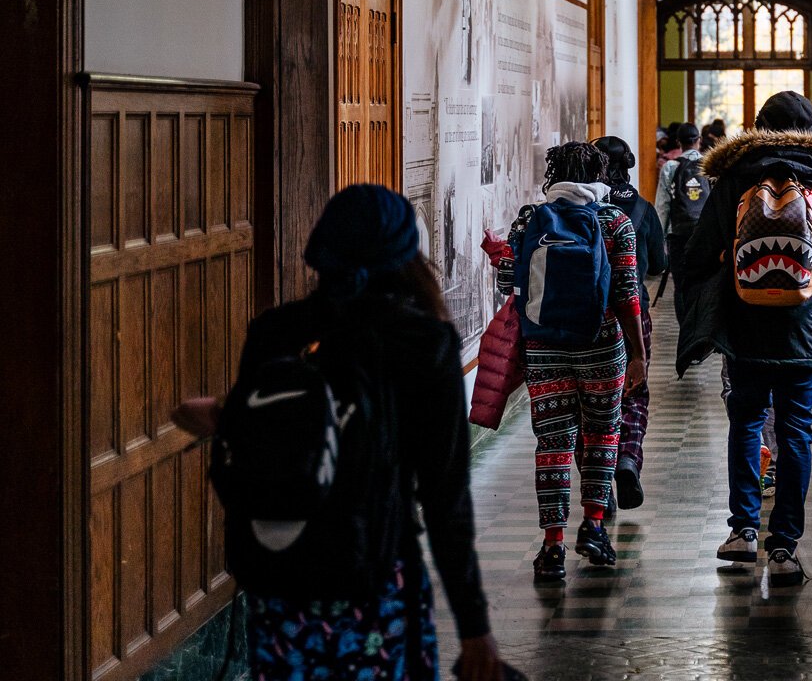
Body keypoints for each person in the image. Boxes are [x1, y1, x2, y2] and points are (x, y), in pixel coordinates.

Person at [170, 184, 508, 681]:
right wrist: (474, 627)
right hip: (375, 580)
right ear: (403, 251)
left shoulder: (275, 331)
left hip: (280, 585)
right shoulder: (423, 343)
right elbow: (444, 498)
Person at [676, 91, 812, 586]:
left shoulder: (734, 177)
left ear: (759, 127)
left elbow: (697, 255)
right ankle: (783, 548)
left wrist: (715, 309)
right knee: (797, 431)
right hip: (804, 333)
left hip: (746, 329)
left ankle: (741, 531)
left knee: (747, 422)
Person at [490, 141, 646, 583]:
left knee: (553, 444)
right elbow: (627, 292)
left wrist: (505, 257)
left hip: (544, 348)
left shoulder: (528, 220)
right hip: (601, 347)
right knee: (601, 434)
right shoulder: (613, 220)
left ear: (553, 173)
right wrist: (638, 354)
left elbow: (509, 284)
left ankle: (552, 546)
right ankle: (594, 526)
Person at [592, 134, 667, 510]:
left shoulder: (582, 207)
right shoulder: (641, 208)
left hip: (585, 319)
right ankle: (627, 460)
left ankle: (598, 490)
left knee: (589, 401)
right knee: (633, 392)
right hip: (633, 316)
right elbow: (657, 264)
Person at [656, 122, 706, 278]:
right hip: (703, 231)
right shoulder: (710, 164)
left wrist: (660, 239)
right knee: (701, 279)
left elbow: (663, 204)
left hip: (678, 231)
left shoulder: (671, 167)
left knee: (680, 281)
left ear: (678, 142)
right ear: (699, 140)